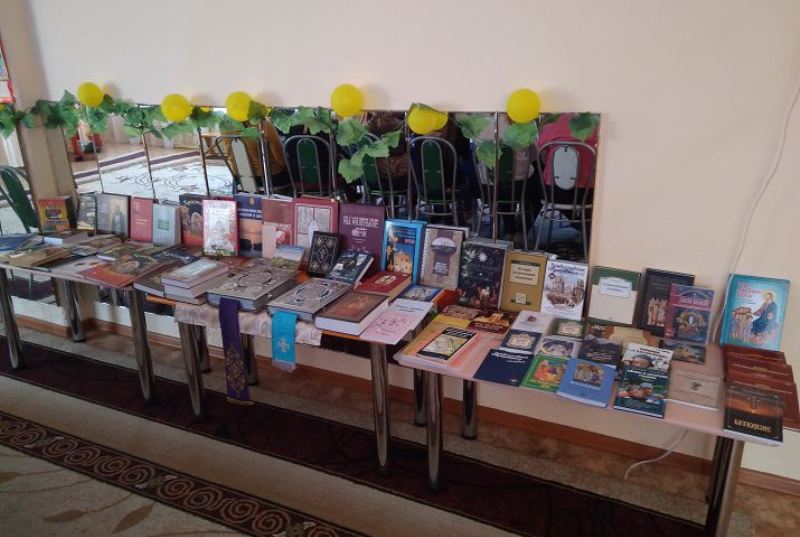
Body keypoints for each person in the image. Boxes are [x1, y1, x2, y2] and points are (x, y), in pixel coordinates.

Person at [219, 121, 287, 194]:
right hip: (268, 179)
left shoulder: (224, 126)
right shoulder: (263, 125)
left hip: (240, 179)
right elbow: (282, 161)